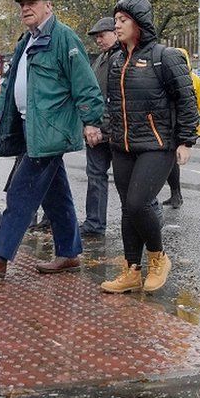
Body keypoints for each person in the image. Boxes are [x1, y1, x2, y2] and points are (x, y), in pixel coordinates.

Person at [0, 0, 103, 279]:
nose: (25, 8)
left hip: (50, 129)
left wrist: (91, 120)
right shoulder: (26, 40)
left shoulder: (64, 38)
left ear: (48, 6)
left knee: (21, 191)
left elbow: (85, 84)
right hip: (30, 127)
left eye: (32, 3)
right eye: (22, 4)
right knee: (55, 193)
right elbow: (12, 81)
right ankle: (69, 253)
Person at [98, 0, 198, 294]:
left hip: (157, 144)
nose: (117, 25)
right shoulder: (116, 60)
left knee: (138, 202)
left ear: (139, 23)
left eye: (123, 20)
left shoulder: (164, 56)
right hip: (123, 145)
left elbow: (186, 99)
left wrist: (185, 141)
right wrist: (107, 130)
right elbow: (112, 103)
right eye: (115, 20)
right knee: (128, 210)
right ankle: (131, 270)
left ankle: (158, 258)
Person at [79, 16, 119, 237]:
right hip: (98, 131)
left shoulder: (122, 58)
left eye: (101, 36)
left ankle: (142, 222)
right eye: (96, 38)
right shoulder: (100, 60)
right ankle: (94, 223)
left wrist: (109, 129)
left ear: (115, 32)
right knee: (95, 177)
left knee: (127, 183)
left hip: (114, 132)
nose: (98, 41)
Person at [161, 48, 200, 209]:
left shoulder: (185, 79)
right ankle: (175, 194)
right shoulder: (194, 79)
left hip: (175, 127)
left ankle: (176, 195)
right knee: (171, 161)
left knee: (170, 161)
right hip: (176, 126)